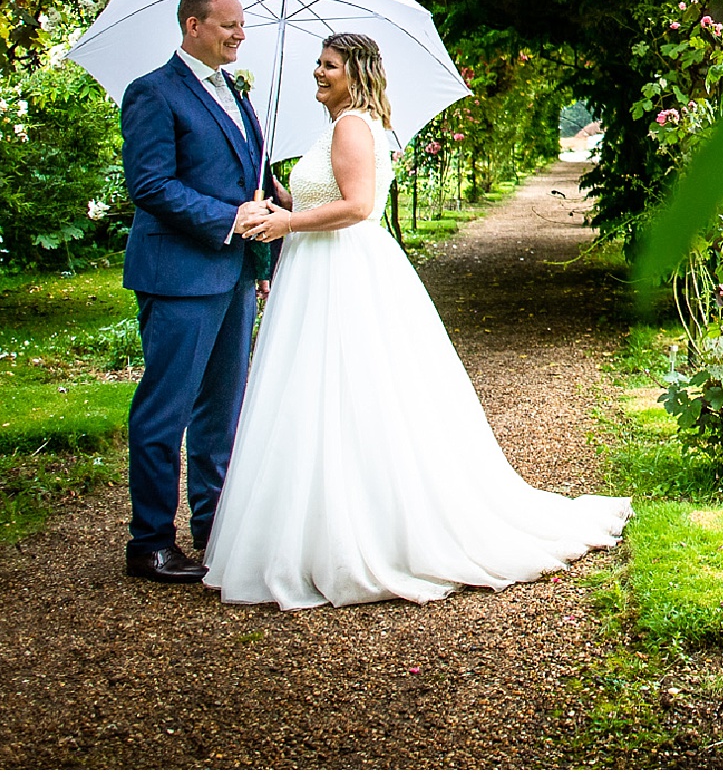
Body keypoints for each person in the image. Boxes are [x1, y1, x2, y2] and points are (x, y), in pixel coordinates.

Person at [204, 32, 632, 608]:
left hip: (340, 271)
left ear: (355, 74)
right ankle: (320, 528)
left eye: (328, 65)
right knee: (322, 394)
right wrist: (279, 197)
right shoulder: (345, 125)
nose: (317, 72)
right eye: (317, 63)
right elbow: (325, 194)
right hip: (322, 267)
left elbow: (357, 207)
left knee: (343, 391)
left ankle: (360, 534)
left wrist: (287, 225)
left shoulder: (352, 125)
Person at [118, 0, 288, 584]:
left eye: (242, 25)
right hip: (180, 274)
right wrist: (228, 218)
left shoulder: (237, 95)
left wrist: (275, 201)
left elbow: (242, 173)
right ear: (193, 26)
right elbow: (152, 186)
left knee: (223, 410)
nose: (240, 34)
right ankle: (150, 542)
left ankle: (215, 528)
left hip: (235, 273)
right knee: (166, 407)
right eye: (228, 26)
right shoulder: (152, 94)